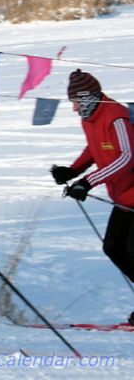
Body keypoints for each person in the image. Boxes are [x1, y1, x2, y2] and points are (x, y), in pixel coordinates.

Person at [51, 69, 134, 325]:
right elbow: (95, 147)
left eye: (76, 101)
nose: (74, 108)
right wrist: (74, 170)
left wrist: (88, 182)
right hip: (125, 197)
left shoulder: (116, 117)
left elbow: (127, 157)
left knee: (132, 251)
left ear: (87, 97)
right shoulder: (90, 119)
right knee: (113, 248)